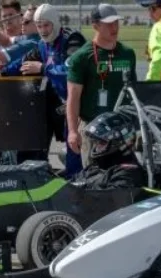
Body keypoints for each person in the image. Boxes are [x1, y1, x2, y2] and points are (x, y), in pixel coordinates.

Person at [65, 4, 136, 169]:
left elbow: (133, 92)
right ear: (95, 25)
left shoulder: (128, 53)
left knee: (125, 177)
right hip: (93, 129)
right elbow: (73, 98)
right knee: (95, 180)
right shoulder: (81, 57)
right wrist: (73, 131)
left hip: (122, 129)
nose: (114, 27)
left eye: (116, 23)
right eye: (108, 24)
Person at [75, 111, 147, 190]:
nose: (96, 147)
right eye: (95, 142)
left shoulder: (128, 173)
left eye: (101, 143)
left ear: (117, 143)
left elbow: (109, 199)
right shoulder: (96, 167)